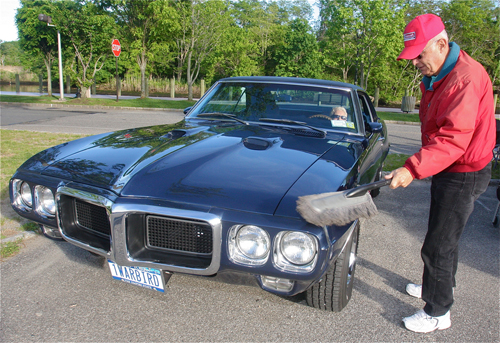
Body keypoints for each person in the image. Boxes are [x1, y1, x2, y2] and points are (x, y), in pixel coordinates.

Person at [385, 13, 495, 333]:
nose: (416, 62)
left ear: (441, 44)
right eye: (412, 56)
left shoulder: (465, 79)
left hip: (462, 171)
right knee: (445, 235)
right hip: (448, 166)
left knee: (438, 245)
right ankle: (437, 285)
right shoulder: (438, 75)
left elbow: (452, 140)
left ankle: (437, 312)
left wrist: (412, 168)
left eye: (420, 55)